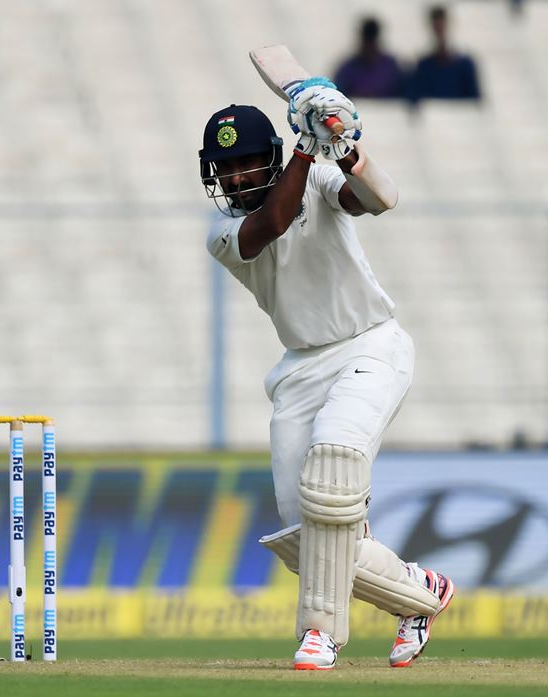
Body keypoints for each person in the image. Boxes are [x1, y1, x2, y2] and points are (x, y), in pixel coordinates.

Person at [198, 88, 453, 670]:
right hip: (300, 369)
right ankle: (421, 592)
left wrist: (345, 148)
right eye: (226, 170)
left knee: (334, 458)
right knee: (307, 539)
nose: (236, 179)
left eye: (245, 164)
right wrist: (310, 149)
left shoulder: (314, 178)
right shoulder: (222, 233)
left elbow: (380, 199)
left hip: (371, 344)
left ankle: (320, 635)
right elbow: (274, 222)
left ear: (271, 155)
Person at [406, 5, 481, 102]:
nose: (440, 31)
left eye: (442, 26)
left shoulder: (465, 64)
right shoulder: (424, 66)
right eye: (437, 27)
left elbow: (474, 98)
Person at [333, 17, 404, 99]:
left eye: (372, 40)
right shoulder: (348, 69)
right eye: (367, 40)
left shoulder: (391, 67)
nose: (369, 45)